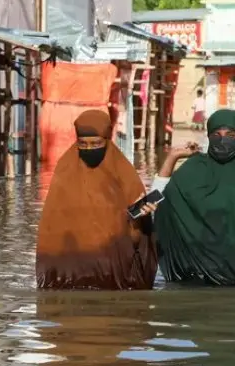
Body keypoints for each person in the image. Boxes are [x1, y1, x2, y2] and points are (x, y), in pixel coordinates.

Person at [143, 109, 235, 289]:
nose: (223, 140)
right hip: (197, 280)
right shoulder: (194, 169)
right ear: (209, 136)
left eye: (230, 135)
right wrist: (173, 157)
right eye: (216, 135)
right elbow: (150, 204)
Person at [36, 109, 157, 290]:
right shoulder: (65, 169)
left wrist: (142, 214)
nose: (89, 149)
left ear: (107, 140)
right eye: (83, 144)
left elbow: (136, 226)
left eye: (96, 143)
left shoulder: (123, 172)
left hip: (116, 276)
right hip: (69, 278)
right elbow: (52, 226)